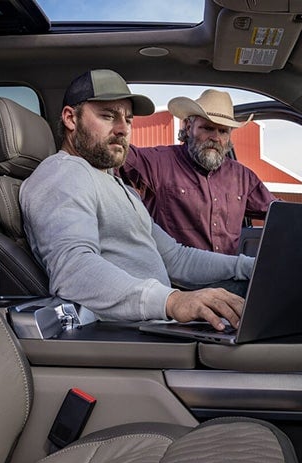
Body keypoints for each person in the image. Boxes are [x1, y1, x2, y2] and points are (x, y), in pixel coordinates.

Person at [20, 69, 253, 330]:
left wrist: (249, 266)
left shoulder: (118, 186)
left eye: (128, 120)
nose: (123, 129)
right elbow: (73, 271)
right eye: (108, 116)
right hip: (127, 338)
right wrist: (172, 301)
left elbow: (177, 258)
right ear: (70, 118)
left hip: (157, 324)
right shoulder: (63, 174)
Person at [120, 89, 277, 255]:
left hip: (227, 270)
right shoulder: (159, 163)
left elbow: (279, 212)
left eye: (223, 131)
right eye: (208, 128)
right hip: (174, 271)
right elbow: (117, 155)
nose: (215, 138)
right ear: (188, 127)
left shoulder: (242, 177)